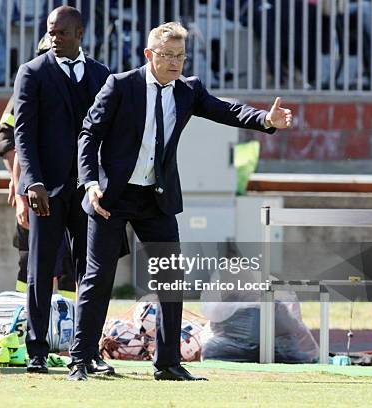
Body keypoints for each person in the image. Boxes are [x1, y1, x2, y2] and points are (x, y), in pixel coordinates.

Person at [68, 21, 292, 381]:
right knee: (99, 277)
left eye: (180, 56)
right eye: (166, 55)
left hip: (156, 197)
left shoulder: (188, 90)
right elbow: (89, 133)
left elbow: (226, 110)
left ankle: (168, 363)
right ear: (148, 54)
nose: (174, 63)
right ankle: (81, 359)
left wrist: (265, 119)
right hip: (111, 195)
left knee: (171, 279)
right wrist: (90, 182)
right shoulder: (120, 85)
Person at [13, 5, 111, 374]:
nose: (54, 38)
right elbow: (23, 133)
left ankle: (88, 352)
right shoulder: (33, 73)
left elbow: (111, 134)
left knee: (92, 272)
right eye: (51, 31)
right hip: (47, 190)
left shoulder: (103, 74)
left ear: (79, 33)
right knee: (40, 271)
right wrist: (31, 182)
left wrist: (105, 183)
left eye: (62, 32)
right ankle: (36, 351)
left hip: (89, 191)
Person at [0, 34, 76, 300]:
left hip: (70, 190)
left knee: (70, 264)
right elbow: (9, 138)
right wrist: (19, 183)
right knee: (29, 259)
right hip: (35, 191)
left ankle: (69, 323)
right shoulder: (29, 86)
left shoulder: (84, 83)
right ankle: (24, 318)